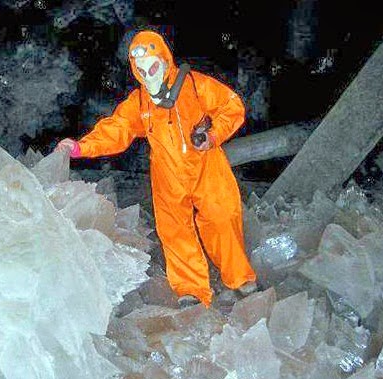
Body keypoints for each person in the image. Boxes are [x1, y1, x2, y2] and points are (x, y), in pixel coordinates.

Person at [55, 30, 257, 308]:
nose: (148, 74)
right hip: (167, 173)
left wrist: (212, 135)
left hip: (207, 165)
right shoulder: (139, 103)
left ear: (164, 60)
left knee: (222, 217)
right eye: (141, 69)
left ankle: (239, 278)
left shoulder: (196, 85)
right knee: (175, 231)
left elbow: (231, 106)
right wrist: (80, 147)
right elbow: (117, 129)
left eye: (152, 66)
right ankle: (191, 290)